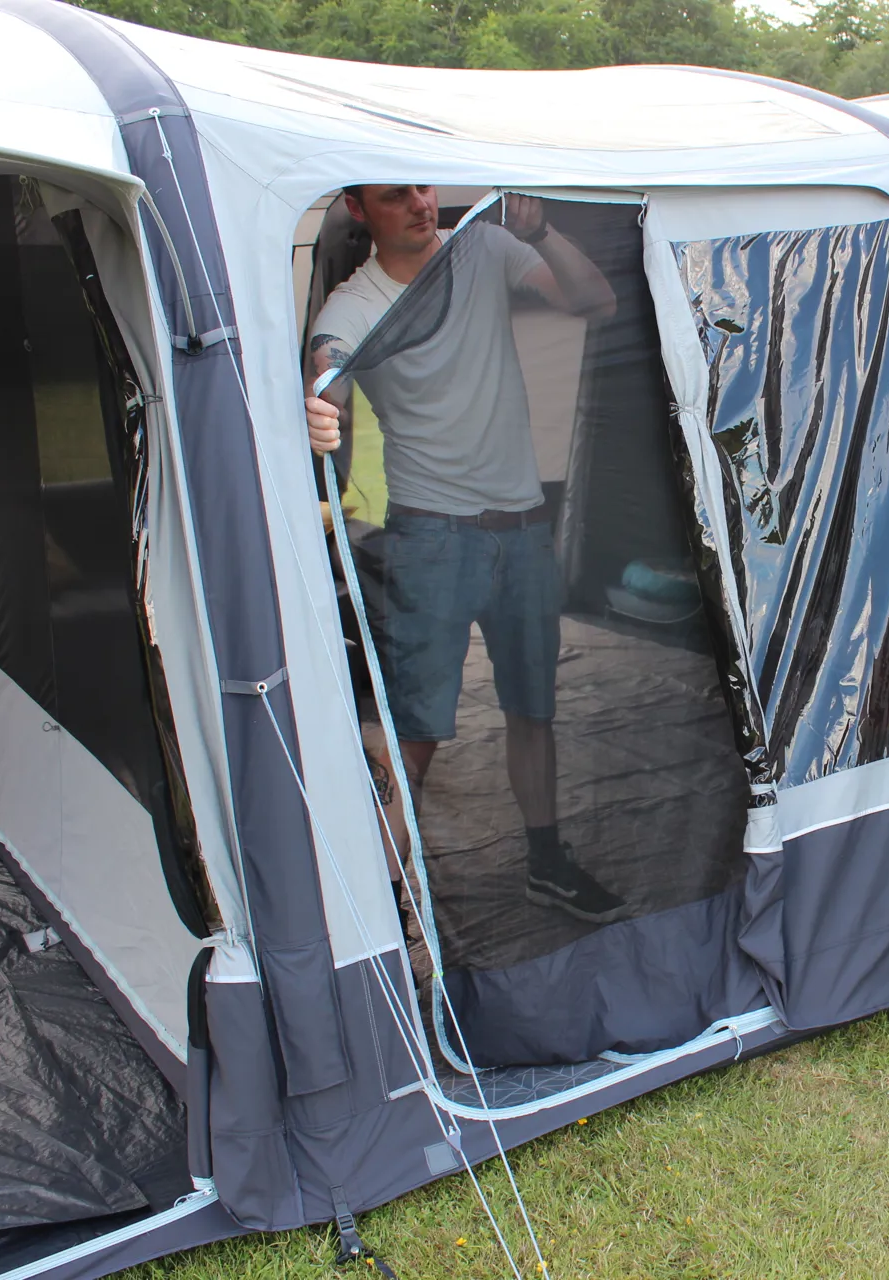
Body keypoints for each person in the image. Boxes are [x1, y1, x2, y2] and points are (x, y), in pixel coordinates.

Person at [305, 183, 627, 925]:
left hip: (524, 529)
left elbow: (597, 303)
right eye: (396, 197)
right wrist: (321, 408)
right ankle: (376, 904)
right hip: (432, 540)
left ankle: (546, 864)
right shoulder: (353, 305)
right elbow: (329, 372)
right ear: (358, 210)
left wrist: (542, 234)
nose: (421, 205)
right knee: (416, 729)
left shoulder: (484, 248)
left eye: (423, 187)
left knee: (532, 710)